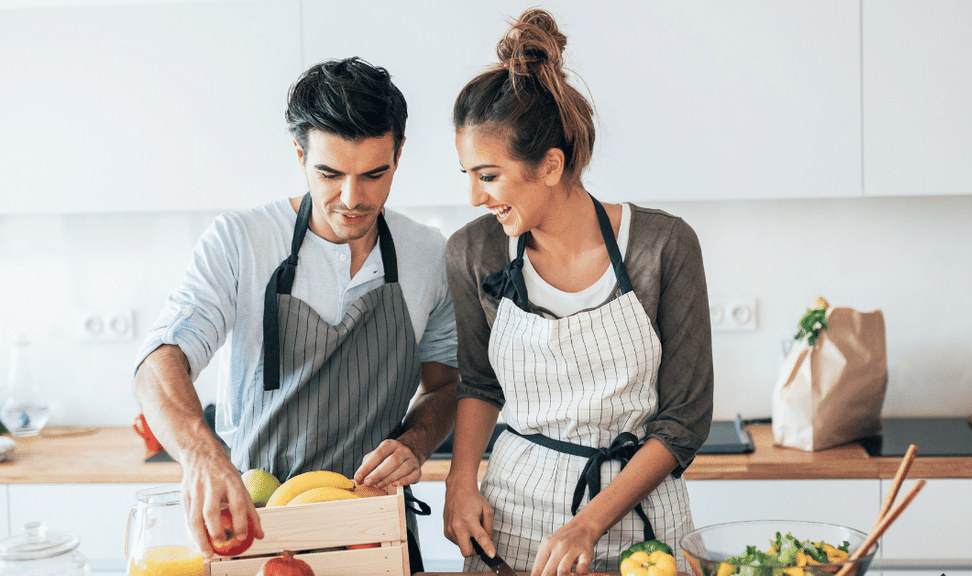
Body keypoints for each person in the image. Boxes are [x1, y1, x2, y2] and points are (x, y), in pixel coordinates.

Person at [132, 57, 458, 571]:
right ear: (300, 155)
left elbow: (444, 385)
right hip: (257, 523)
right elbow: (160, 361)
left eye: (375, 174)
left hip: (372, 528)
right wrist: (200, 452)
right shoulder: (241, 241)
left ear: (398, 155)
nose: (352, 199)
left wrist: (415, 442)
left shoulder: (427, 255)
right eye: (329, 173)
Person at [442, 9, 714, 576]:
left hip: (644, 529)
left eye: (487, 176)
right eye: (467, 174)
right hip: (513, 523)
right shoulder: (476, 252)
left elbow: (683, 420)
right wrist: (460, 479)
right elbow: (479, 381)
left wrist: (589, 521)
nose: (474, 197)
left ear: (550, 165)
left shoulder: (662, 246)